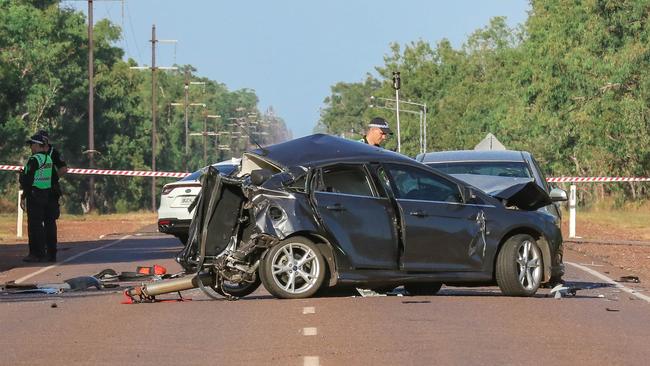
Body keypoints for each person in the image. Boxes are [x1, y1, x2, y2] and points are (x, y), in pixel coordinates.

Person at [19, 134, 55, 262]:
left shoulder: (34, 160)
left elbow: (28, 180)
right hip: (46, 195)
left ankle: (35, 253)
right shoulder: (48, 159)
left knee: (34, 226)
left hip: (34, 195)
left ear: (36, 145)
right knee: (42, 225)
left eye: (31, 145)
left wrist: (23, 196)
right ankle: (45, 252)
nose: (30, 147)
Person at [37, 130, 66, 262]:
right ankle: (40, 251)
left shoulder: (53, 153)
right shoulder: (36, 153)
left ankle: (51, 252)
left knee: (49, 222)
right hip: (37, 192)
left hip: (50, 192)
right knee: (37, 222)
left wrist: (52, 179)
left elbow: (63, 168)